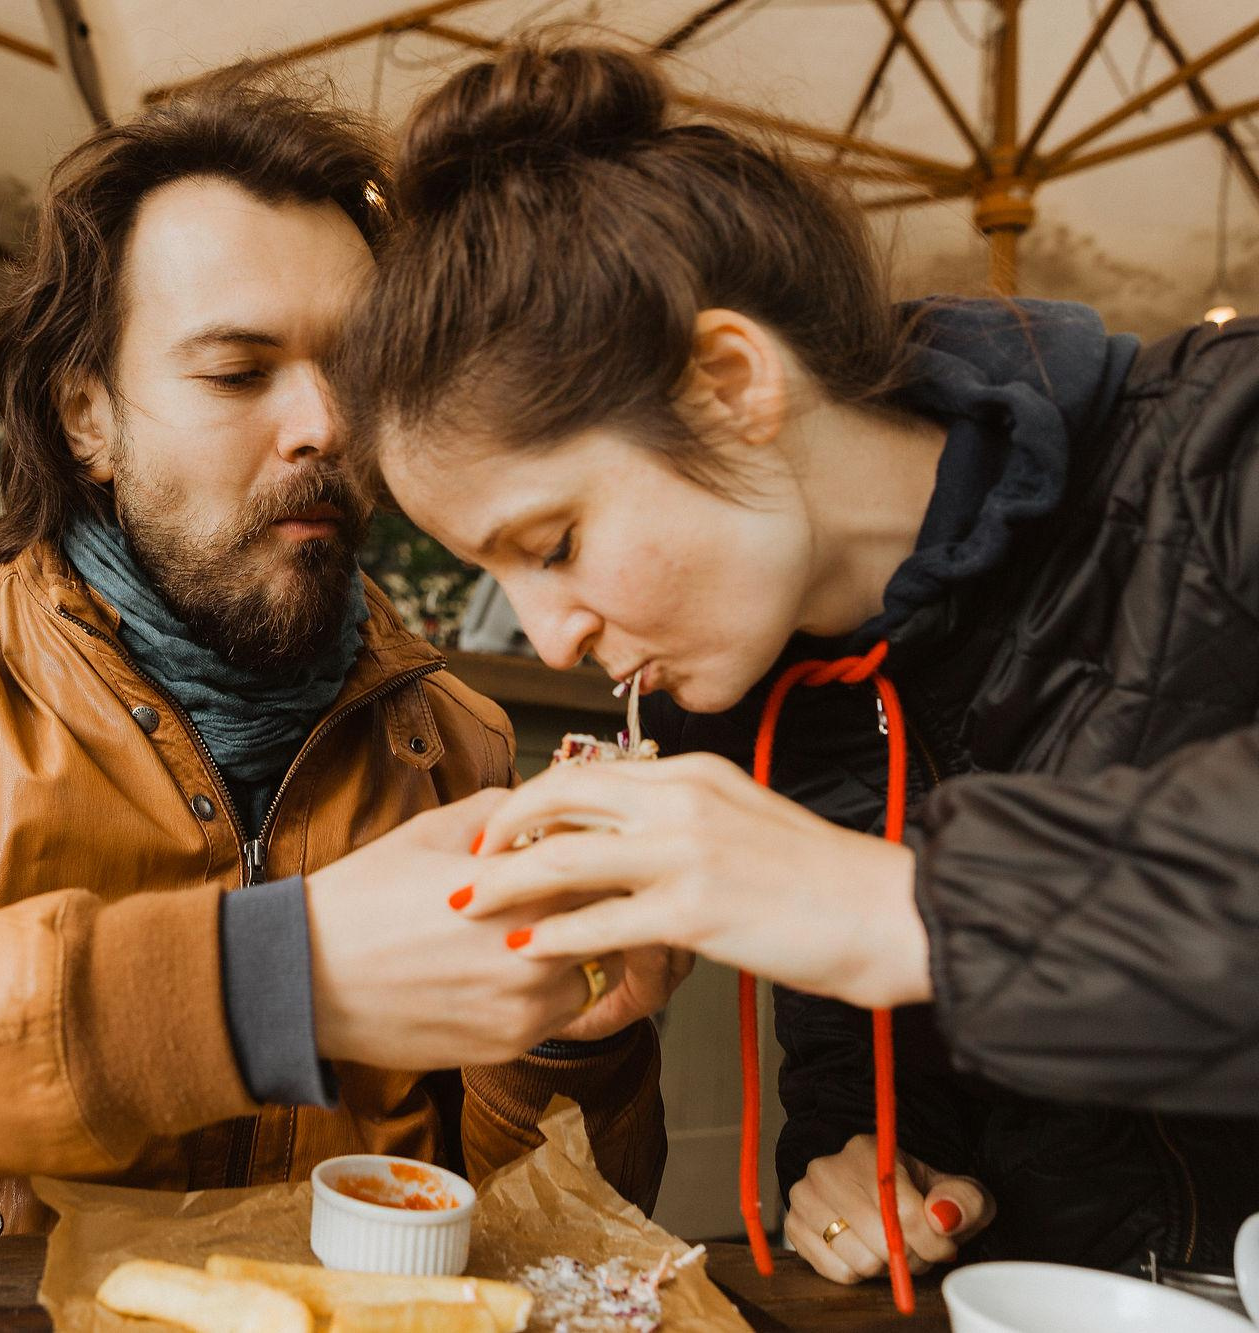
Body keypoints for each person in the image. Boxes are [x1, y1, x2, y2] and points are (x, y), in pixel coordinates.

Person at [0, 76, 676, 1257]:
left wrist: (572, 1038)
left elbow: (554, 1237)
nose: (324, 426)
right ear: (87, 416)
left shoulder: (456, 741)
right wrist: (266, 982)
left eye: (354, 370)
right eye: (239, 373)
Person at [330, 36, 1259, 1286]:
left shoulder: (1221, 448)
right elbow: (871, 1070)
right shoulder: (766, 708)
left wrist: (882, 902)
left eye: (553, 541)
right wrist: (867, 1168)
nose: (547, 638)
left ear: (725, 382)